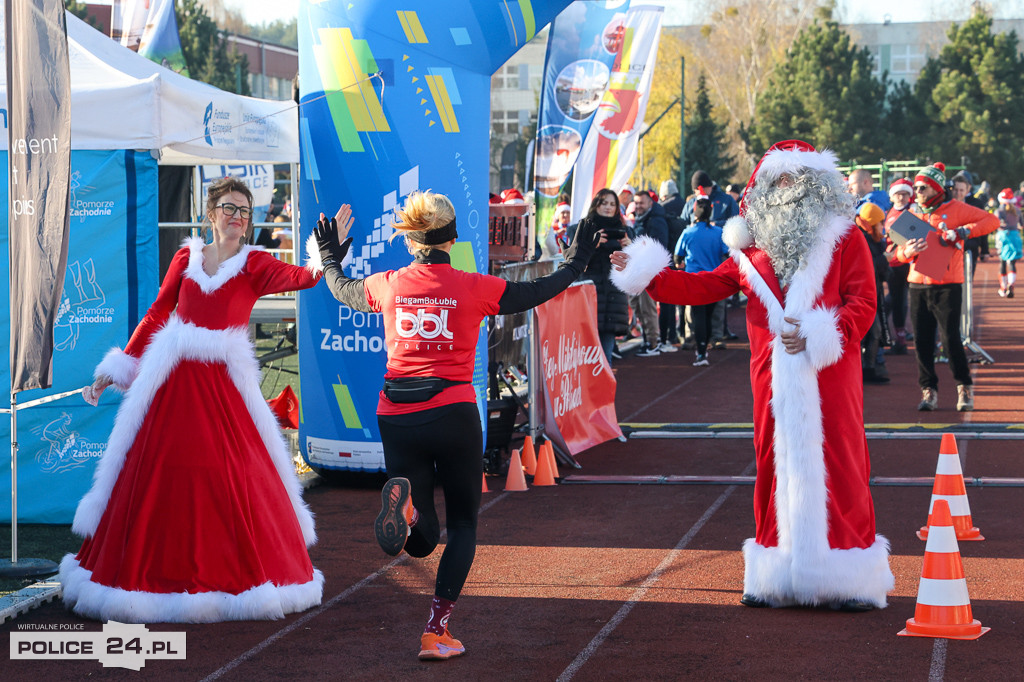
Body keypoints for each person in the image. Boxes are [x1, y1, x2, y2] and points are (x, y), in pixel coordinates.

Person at [314, 190, 602, 661]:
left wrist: (330, 255)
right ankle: (435, 632)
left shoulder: (388, 283)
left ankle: (407, 516)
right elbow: (535, 293)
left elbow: (341, 288)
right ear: (453, 239)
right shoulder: (474, 286)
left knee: (424, 536)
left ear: (410, 241)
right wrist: (576, 262)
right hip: (452, 413)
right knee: (464, 524)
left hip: (396, 412)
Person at [610, 139, 894, 611]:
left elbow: (864, 302)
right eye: (775, 181)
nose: (786, 189)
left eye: (795, 180)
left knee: (841, 461)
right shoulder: (749, 252)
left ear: (817, 186)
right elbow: (701, 287)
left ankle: (851, 576)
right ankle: (774, 574)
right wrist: (645, 272)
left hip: (828, 375)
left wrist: (823, 331)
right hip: (772, 379)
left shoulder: (847, 238)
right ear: (760, 189)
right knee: (771, 464)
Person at [61, 177, 325, 623]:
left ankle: (234, 580)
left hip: (225, 391)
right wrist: (119, 366)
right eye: (228, 206)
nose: (237, 216)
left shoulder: (255, 263)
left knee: (232, 476)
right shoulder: (187, 257)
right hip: (174, 386)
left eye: (244, 210)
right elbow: (158, 313)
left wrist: (324, 252)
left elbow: (305, 277)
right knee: (160, 474)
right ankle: (151, 579)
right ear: (210, 212)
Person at [896, 162, 998, 411]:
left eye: (921, 187)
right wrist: (907, 251)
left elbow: (991, 221)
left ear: (935, 188)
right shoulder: (911, 213)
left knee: (951, 339)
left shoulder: (957, 208)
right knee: (921, 341)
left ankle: (964, 387)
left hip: (948, 284)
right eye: (915, 187)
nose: (916, 191)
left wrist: (962, 232)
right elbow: (898, 253)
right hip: (918, 284)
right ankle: (928, 390)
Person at [567, 189, 631, 364]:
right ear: (596, 204)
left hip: (613, 298)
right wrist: (591, 245)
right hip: (589, 295)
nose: (608, 208)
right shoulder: (581, 228)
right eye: (604, 203)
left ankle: (604, 392)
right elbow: (572, 260)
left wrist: (632, 249)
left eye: (612, 204)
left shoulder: (625, 231)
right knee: (584, 356)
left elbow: (634, 269)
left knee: (606, 356)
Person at [673, 187, 728, 366]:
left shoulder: (688, 233)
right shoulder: (719, 232)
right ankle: (706, 346)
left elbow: (677, 258)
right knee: (709, 315)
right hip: (713, 280)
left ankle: (701, 352)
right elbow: (726, 254)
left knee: (698, 316)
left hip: (694, 280)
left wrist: (682, 264)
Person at [630, 189, 671, 356]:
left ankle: (653, 342)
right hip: (638, 270)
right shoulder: (641, 219)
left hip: (647, 272)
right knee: (637, 305)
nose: (638, 206)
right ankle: (648, 339)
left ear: (650, 203)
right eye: (636, 202)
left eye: (641, 202)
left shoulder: (656, 220)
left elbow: (659, 246)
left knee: (647, 307)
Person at [855, 203, 892, 384]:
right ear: (871, 223)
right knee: (869, 332)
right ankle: (864, 370)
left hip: (872, 293)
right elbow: (867, 267)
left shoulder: (873, 240)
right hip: (861, 295)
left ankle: (868, 370)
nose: (882, 227)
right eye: (879, 223)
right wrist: (885, 259)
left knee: (874, 332)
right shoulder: (861, 239)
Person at [883, 178, 914, 354]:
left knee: (901, 300)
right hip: (893, 263)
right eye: (898, 194)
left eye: (904, 194)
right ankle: (898, 339)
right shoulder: (888, 212)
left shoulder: (914, 212)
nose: (901, 197)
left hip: (909, 263)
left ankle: (901, 340)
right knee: (895, 299)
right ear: (892, 196)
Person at [951, 171, 990, 269]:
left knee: (967, 280)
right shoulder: (946, 203)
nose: (958, 193)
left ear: (968, 188)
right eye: (956, 189)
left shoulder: (977, 204)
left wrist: (985, 250)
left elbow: (983, 228)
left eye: (962, 189)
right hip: (950, 247)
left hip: (970, 247)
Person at [995, 188, 1023, 297]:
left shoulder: (999, 211)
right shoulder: (1018, 210)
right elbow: (1022, 224)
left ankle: (1003, 287)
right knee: (1012, 262)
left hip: (1003, 237)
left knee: (1002, 262)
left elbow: (997, 224)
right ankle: (1011, 284)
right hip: (1015, 236)